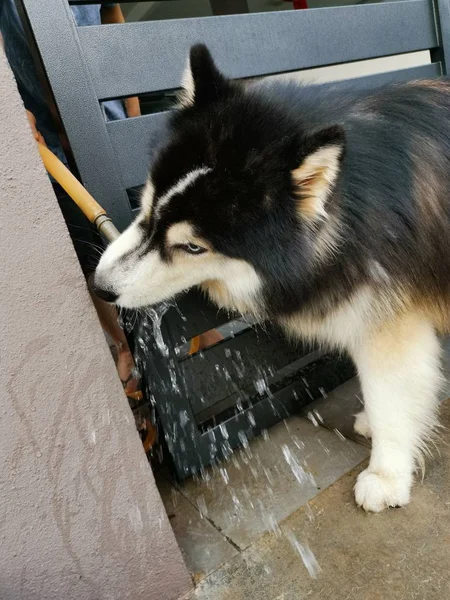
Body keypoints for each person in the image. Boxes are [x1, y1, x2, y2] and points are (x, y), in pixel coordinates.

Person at [0, 1, 141, 399]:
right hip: (50, 144)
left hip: (106, 120)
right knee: (87, 251)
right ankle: (124, 345)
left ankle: (199, 334)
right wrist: (15, 109)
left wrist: (132, 110)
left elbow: (112, 13)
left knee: (144, 228)